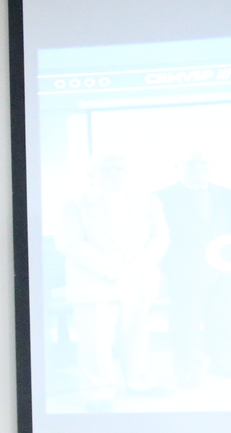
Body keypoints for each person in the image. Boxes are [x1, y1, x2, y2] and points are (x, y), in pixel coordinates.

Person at [55, 154, 168, 402]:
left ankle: (139, 381)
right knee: (96, 342)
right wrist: (115, 269)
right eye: (107, 169)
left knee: (137, 336)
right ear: (91, 175)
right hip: (94, 283)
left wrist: (136, 266)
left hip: (138, 279)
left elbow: (160, 237)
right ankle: (98, 391)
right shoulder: (73, 204)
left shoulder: (148, 201)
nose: (114, 173)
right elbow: (70, 243)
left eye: (119, 169)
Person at [157, 152, 231, 384]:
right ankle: (187, 371)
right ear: (177, 165)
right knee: (186, 323)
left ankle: (222, 362)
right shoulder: (162, 197)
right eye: (191, 162)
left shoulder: (225, 194)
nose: (198, 167)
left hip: (223, 268)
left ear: (212, 165)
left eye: (204, 162)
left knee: (222, 319)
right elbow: (157, 235)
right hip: (185, 272)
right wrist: (169, 268)